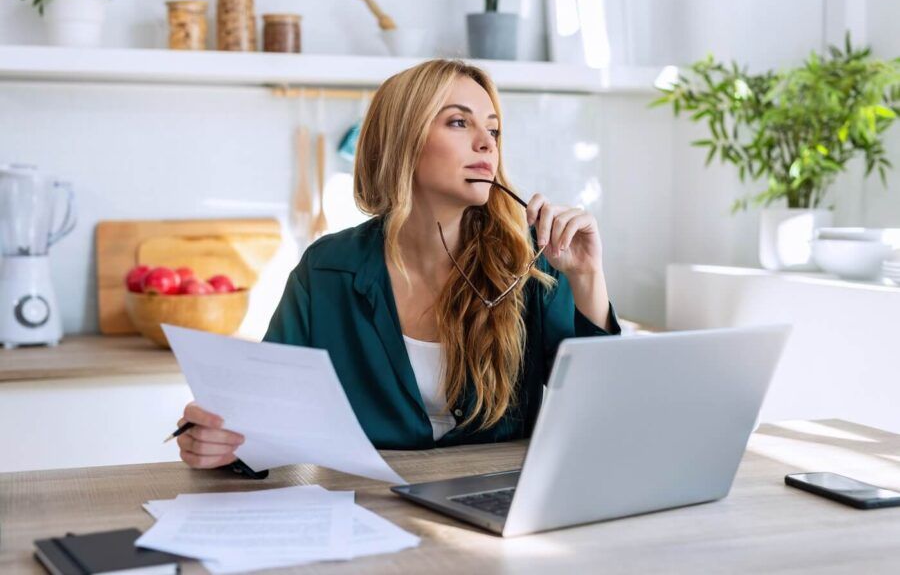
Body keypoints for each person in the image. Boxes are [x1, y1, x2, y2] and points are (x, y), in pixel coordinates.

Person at [176, 59, 621, 470]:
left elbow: (601, 420)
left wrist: (587, 277)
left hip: (501, 510)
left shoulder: (534, 261)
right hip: (368, 513)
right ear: (403, 140)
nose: (487, 143)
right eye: (459, 122)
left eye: (495, 129)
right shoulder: (326, 270)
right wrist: (221, 441)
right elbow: (262, 417)